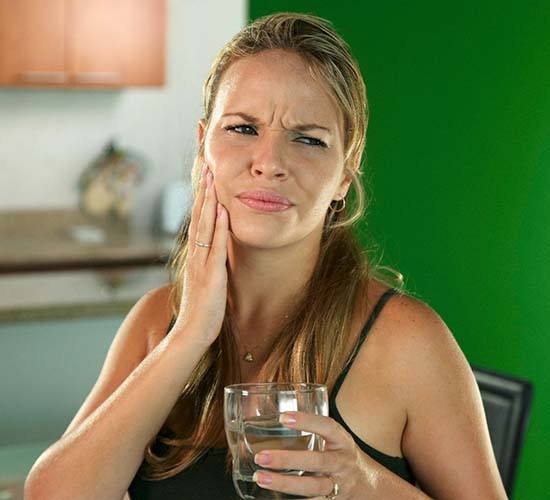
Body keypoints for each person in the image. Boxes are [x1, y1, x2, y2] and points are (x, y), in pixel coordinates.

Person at [25, 12, 507, 500]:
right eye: (242, 128)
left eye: (308, 139)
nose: (270, 162)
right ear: (202, 147)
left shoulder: (407, 342)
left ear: (345, 172)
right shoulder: (157, 322)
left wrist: (366, 483)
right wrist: (190, 336)